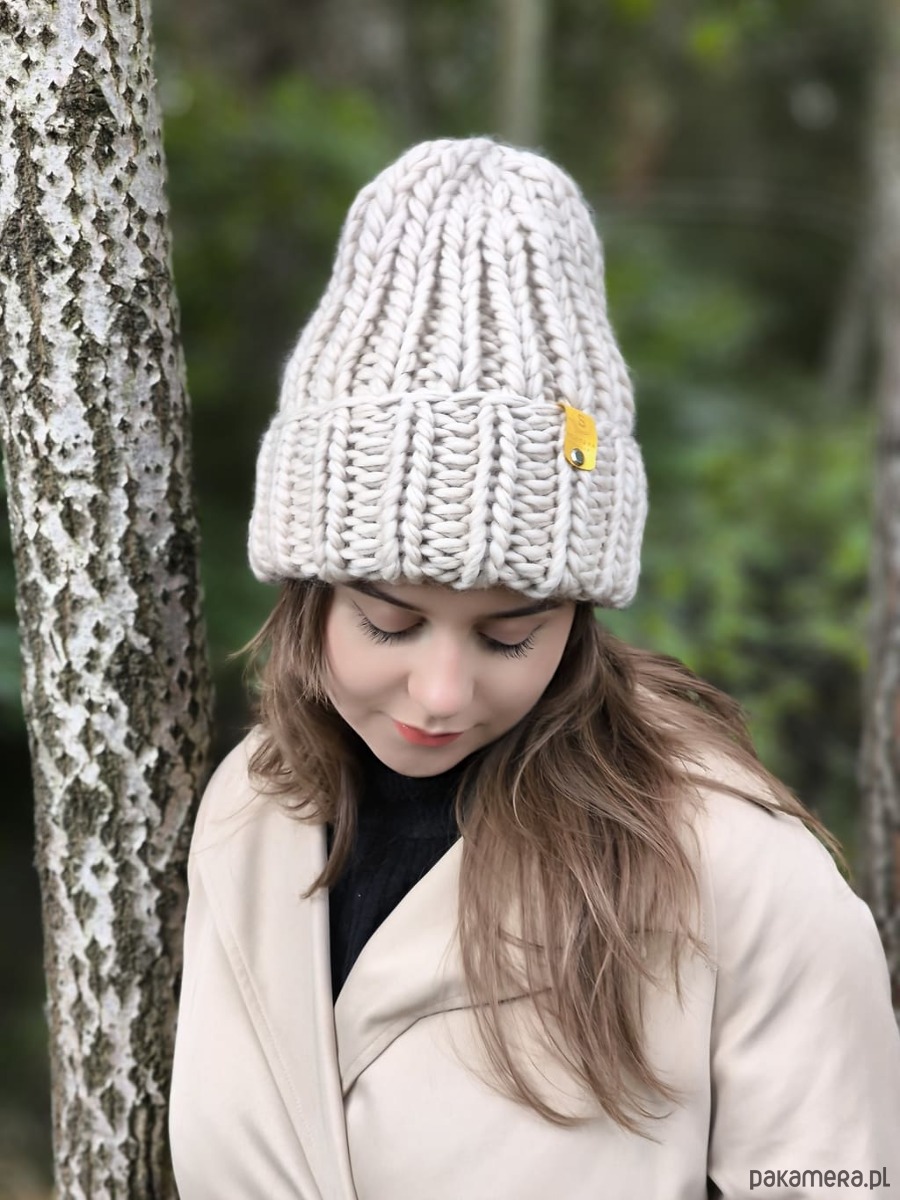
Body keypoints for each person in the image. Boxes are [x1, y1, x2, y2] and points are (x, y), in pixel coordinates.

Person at [168, 138, 900, 1200]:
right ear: (307, 593)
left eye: (509, 635)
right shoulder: (248, 814)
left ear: (582, 615)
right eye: (389, 623)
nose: (442, 694)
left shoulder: (743, 880)